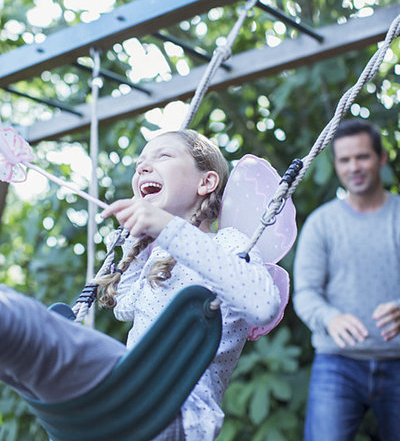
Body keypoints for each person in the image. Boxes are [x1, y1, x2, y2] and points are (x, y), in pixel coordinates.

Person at [0, 129, 282, 441]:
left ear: (206, 182)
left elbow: (263, 304)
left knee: (25, 327)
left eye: (163, 156)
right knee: (19, 361)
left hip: (169, 407)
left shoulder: (228, 243)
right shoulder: (159, 254)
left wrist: (167, 228)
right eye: (139, 164)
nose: (143, 167)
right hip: (122, 412)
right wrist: (135, 244)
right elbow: (126, 308)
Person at [293, 119, 400, 441]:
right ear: (336, 164)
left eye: (362, 157)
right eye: (344, 159)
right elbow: (306, 293)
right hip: (337, 363)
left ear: (381, 159)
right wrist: (331, 317)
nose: (354, 166)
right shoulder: (321, 223)